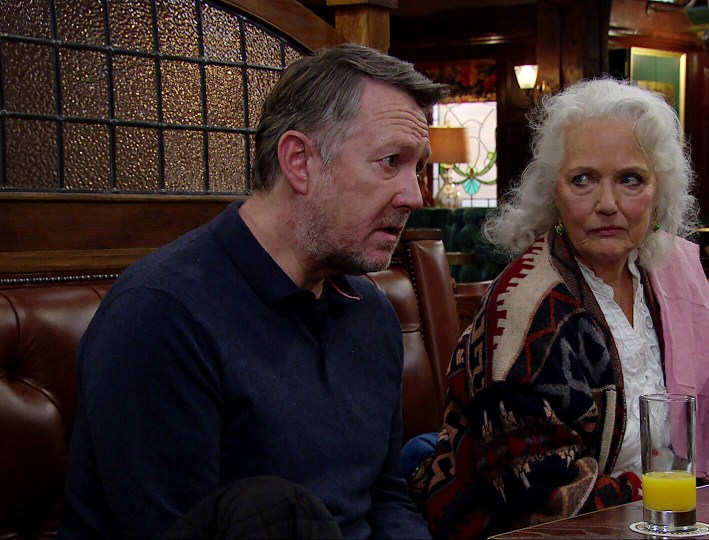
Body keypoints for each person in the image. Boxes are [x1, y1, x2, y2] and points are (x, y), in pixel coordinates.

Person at [59, 43, 447, 539]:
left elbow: (386, 499)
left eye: (417, 167)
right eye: (390, 161)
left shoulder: (371, 313)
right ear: (299, 161)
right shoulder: (161, 316)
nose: (414, 195)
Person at [413, 78, 709, 539]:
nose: (607, 204)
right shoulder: (529, 306)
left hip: (663, 517)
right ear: (554, 190)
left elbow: (708, 347)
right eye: (583, 179)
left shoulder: (663, 269)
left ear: (659, 190)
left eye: (630, 179)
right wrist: (670, 495)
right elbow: (537, 492)